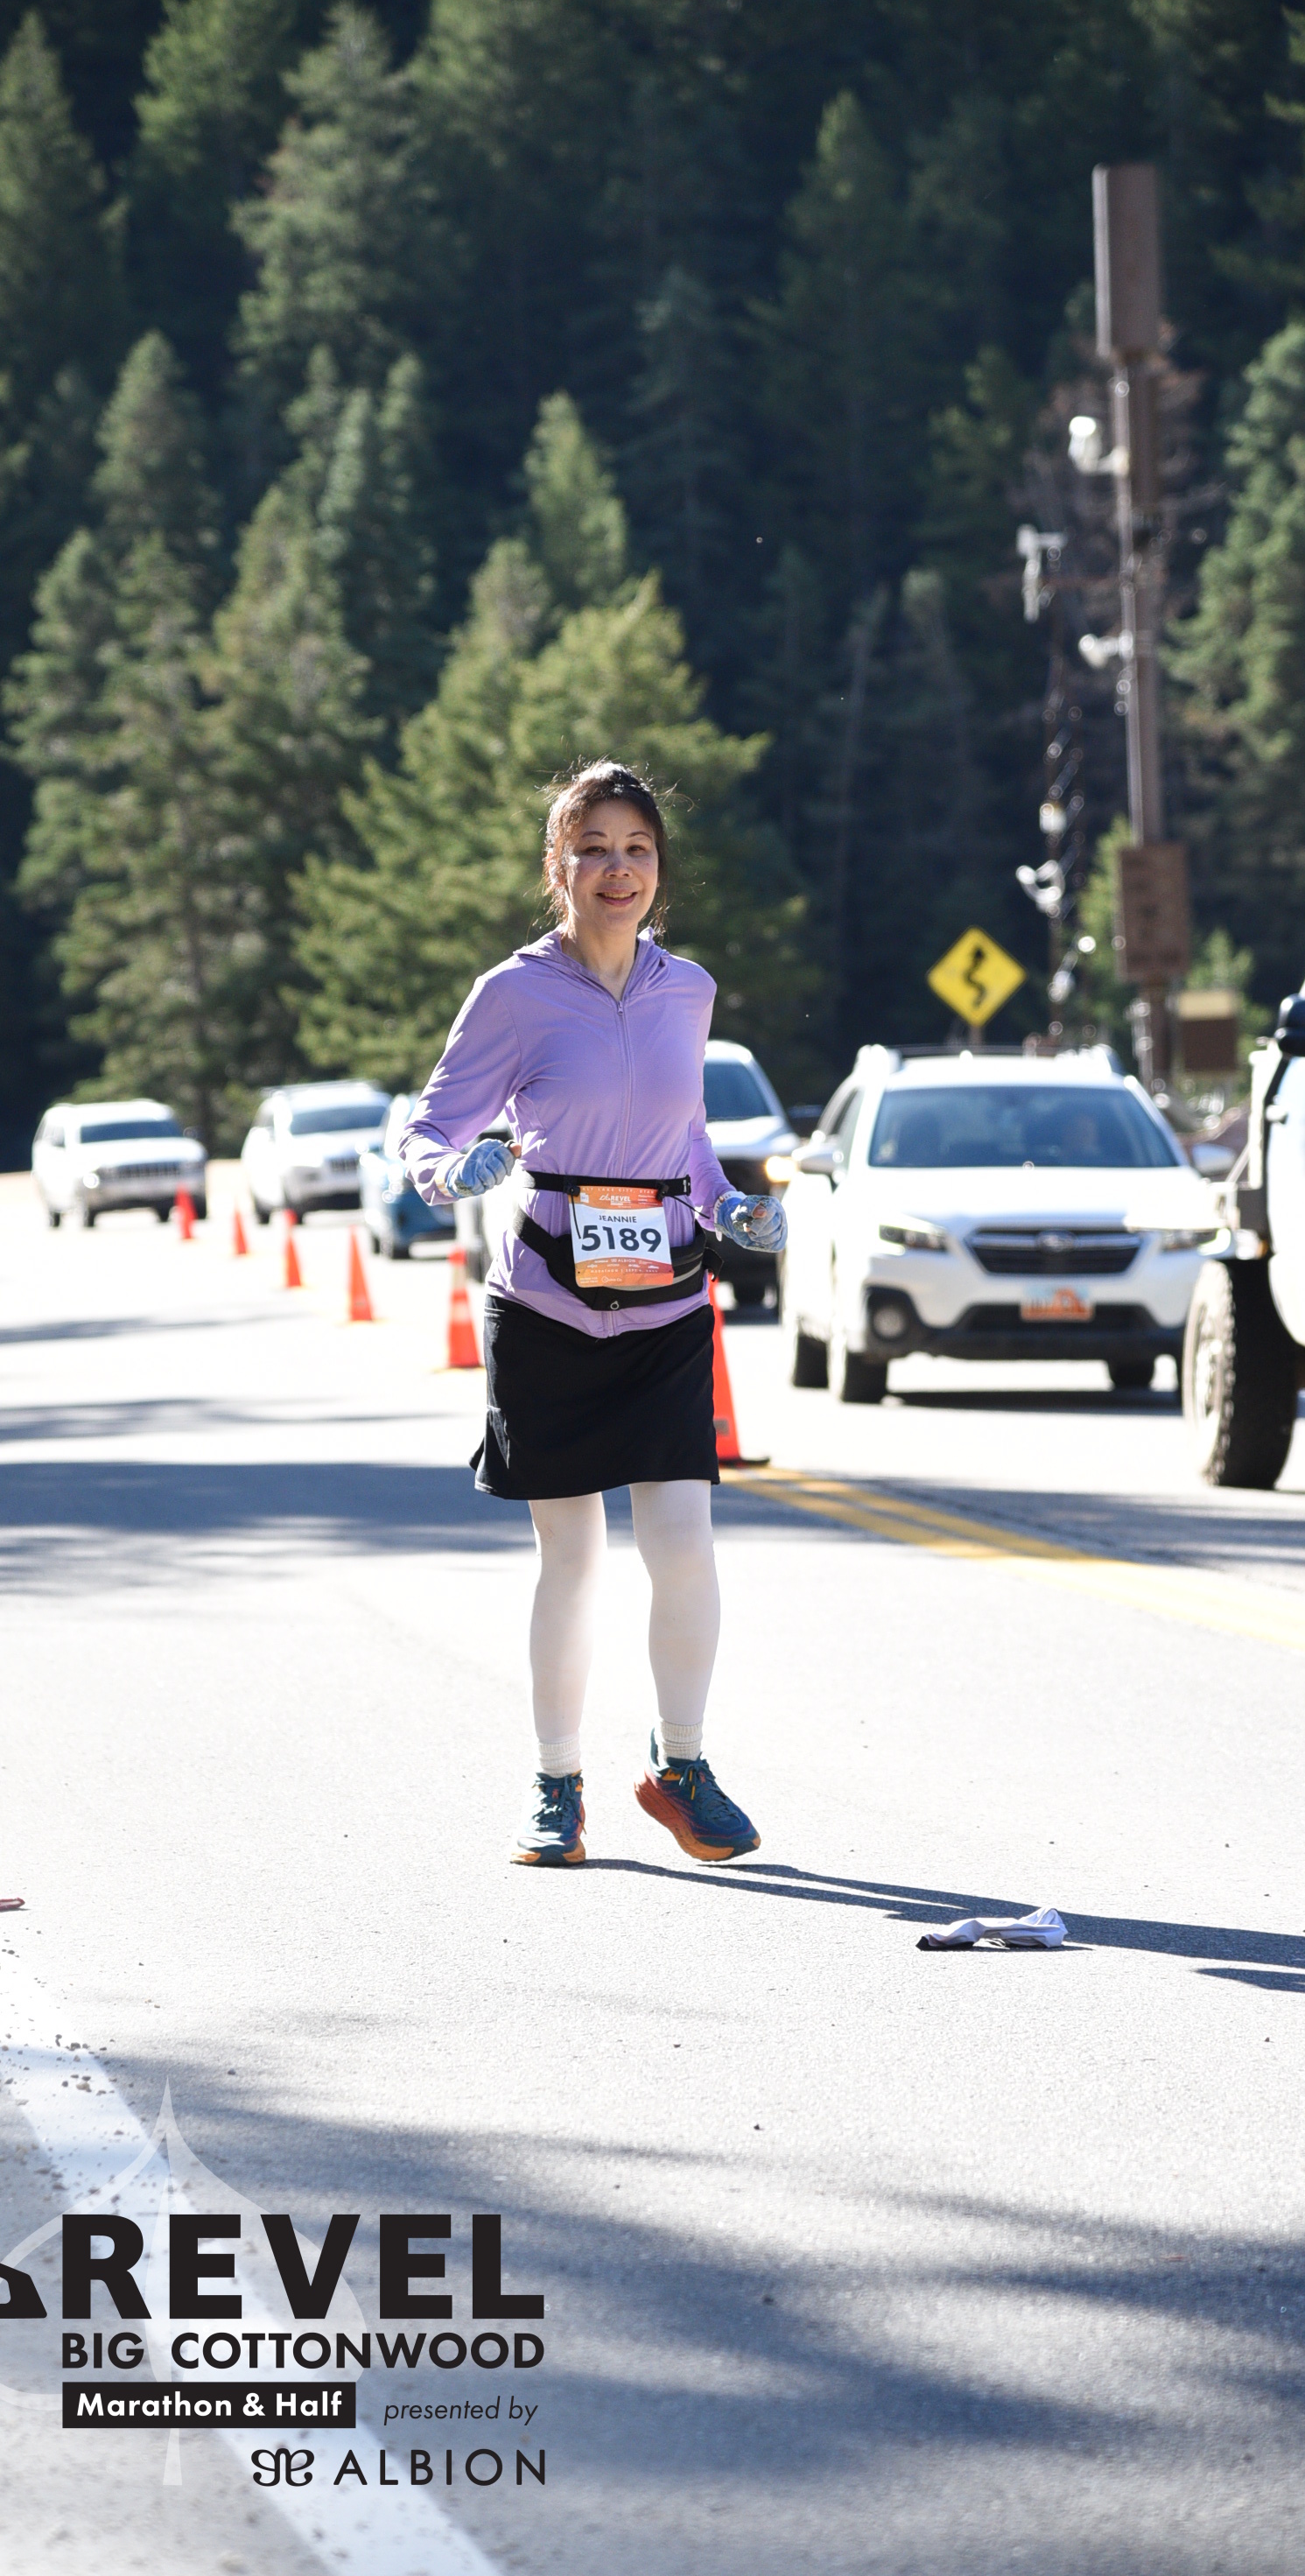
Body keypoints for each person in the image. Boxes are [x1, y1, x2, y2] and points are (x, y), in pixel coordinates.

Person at [399, 761, 786, 1870]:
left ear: (658, 866)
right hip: (548, 1307)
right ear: (556, 866)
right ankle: (555, 1783)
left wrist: (725, 1206)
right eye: (594, 849)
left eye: (637, 849)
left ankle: (683, 1767)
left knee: (682, 1543)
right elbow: (430, 1130)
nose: (618, 869)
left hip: (665, 1305)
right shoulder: (511, 993)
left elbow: (686, 1136)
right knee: (572, 1556)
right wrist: (455, 1170)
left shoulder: (688, 989)